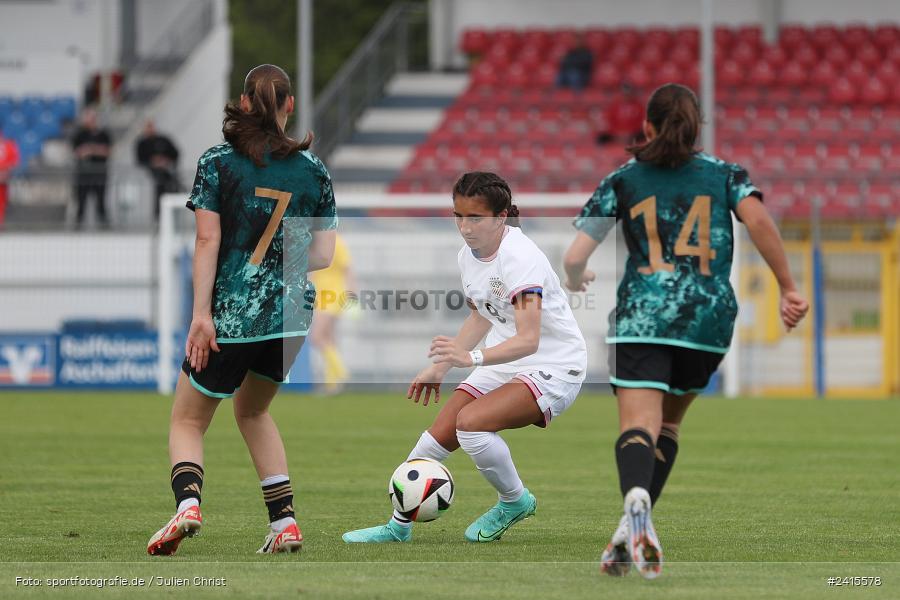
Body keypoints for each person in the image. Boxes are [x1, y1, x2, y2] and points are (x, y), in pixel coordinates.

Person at [562, 83, 809, 579]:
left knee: (638, 425)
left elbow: (574, 257)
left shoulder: (624, 179)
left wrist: (575, 278)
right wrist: (788, 287)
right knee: (669, 427)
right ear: (697, 130)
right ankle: (628, 529)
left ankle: (633, 498)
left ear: (648, 127)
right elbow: (758, 218)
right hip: (706, 320)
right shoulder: (724, 176)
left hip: (642, 318)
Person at [146, 64, 337, 557]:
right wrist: (278, 264)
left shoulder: (217, 162)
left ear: (245, 103)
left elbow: (207, 239)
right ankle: (285, 522)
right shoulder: (314, 169)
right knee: (253, 411)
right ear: (289, 106)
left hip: (233, 312)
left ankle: (188, 505)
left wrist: (200, 314)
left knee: (188, 420)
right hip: (291, 316)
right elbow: (323, 255)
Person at [342, 172, 587, 544]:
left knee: (470, 425)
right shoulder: (467, 256)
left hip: (555, 364)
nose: (465, 226)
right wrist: (439, 367)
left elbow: (530, 340)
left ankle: (514, 501)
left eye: (476, 217)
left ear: (501, 216)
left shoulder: (521, 258)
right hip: (506, 358)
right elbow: (481, 316)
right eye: (458, 215)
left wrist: (469, 357)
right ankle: (398, 527)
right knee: (435, 438)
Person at [309, 233, 354, 394]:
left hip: (332, 296)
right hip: (322, 295)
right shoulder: (317, 242)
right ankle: (332, 384)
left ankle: (341, 372)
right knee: (329, 339)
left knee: (317, 337)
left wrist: (352, 296)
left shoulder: (338, 242)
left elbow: (348, 270)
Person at [71, 109, 111, 228]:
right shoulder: (79, 135)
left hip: (100, 173)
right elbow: (77, 152)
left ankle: (104, 227)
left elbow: (107, 152)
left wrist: (90, 149)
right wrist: (95, 150)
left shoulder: (104, 134)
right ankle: (78, 227)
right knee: (81, 201)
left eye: (93, 118)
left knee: (101, 201)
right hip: (83, 173)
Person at [136, 119, 181, 221]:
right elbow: (139, 160)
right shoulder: (142, 143)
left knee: (173, 188)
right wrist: (152, 163)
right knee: (158, 189)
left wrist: (166, 161)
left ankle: (172, 217)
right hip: (152, 174)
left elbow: (175, 153)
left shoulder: (163, 140)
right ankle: (157, 216)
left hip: (167, 174)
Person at [0, 125, 20, 227]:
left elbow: (15, 161)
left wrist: (6, 171)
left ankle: (1, 222)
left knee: (2, 201)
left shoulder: (9, 145)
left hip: (5, 179)